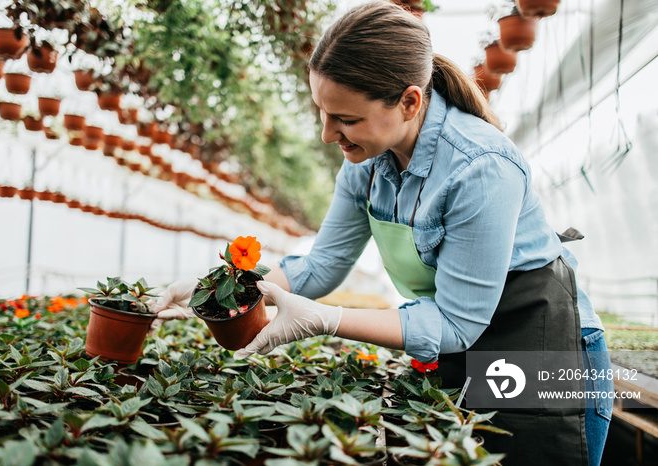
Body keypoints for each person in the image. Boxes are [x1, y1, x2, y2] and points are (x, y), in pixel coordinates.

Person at [151, 2, 612, 465]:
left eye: (346, 119)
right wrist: (220, 290)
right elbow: (320, 265)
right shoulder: (368, 162)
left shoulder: (480, 167)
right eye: (323, 113)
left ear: (410, 101)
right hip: (463, 342)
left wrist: (325, 319)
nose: (329, 134)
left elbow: (456, 323)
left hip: (541, 347)